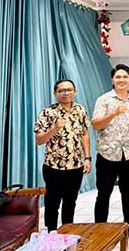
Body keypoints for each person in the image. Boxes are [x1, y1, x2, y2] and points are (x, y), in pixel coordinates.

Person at [92, 64, 129, 241]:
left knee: (128, 193)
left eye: (125, 77)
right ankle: (100, 228)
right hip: (107, 153)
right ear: (113, 80)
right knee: (104, 193)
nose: (121, 80)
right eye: (118, 77)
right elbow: (96, 125)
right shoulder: (104, 100)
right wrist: (113, 113)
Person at [34, 79, 91, 232]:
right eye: (62, 90)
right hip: (54, 167)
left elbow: (85, 134)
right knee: (52, 202)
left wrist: (87, 158)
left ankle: (67, 231)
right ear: (55, 93)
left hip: (76, 165)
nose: (66, 93)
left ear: (75, 92)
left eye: (69, 90)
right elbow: (39, 140)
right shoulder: (47, 112)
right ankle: (51, 232)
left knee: (70, 201)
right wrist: (54, 129)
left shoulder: (80, 110)